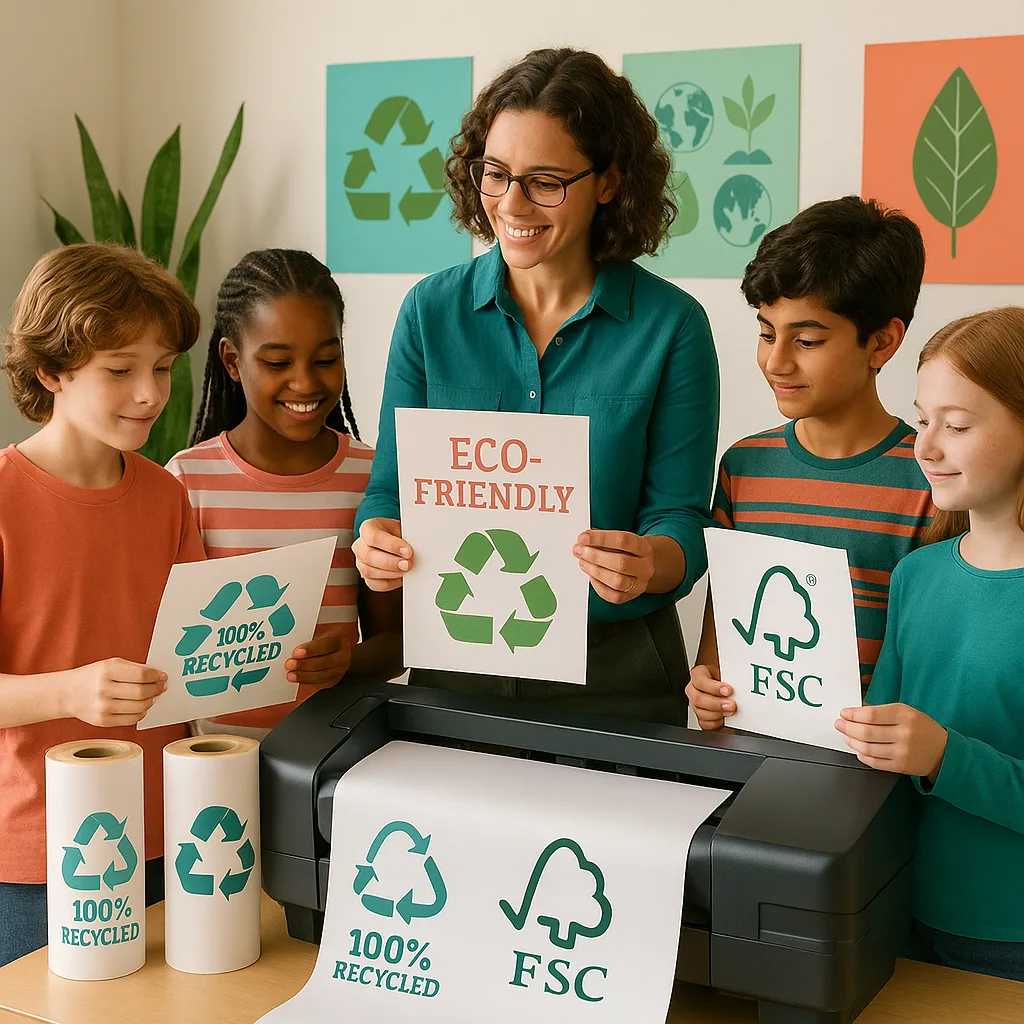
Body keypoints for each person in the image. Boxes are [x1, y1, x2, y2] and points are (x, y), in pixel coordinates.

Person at [353, 47, 719, 726]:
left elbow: (683, 522)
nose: (511, 204)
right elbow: (388, 489)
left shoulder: (674, 328)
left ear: (609, 181)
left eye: (545, 181)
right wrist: (375, 537)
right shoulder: (429, 314)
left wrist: (653, 561)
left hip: (619, 677)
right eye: (496, 174)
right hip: (455, 666)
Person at [0, 243, 204, 967]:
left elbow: (194, 659)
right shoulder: (3, 498)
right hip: (38, 854)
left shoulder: (167, 497)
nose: (151, 393)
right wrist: (73, 690)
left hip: (165, 832)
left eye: (163, 368)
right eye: (120, 370)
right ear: (51, 369)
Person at [686, 197, 933, 730]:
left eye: (808, 340)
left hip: (865, 776)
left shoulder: (930, 479)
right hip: (746, 760)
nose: (776, 362)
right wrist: (706, 684)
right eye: (766, 333)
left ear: (882, 342)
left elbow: (932, 669)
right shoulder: (744, 467)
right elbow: (722, 634)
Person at [835, 307, 1024, 982]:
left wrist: (945, 757)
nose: (927, 445)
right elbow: (874, 745)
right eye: (922, 420)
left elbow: (931, 752)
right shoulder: (917, 574)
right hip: (900, 918)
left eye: (959, 424)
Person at [168, 249, 403, 739]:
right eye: (277, 362)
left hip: (331, 757)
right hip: (211, 763)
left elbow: (397, 642)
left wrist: (348, 661)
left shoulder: (372, 477)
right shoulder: (187, 483)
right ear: (232, 361)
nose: (305, 382)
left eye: (326, 359)